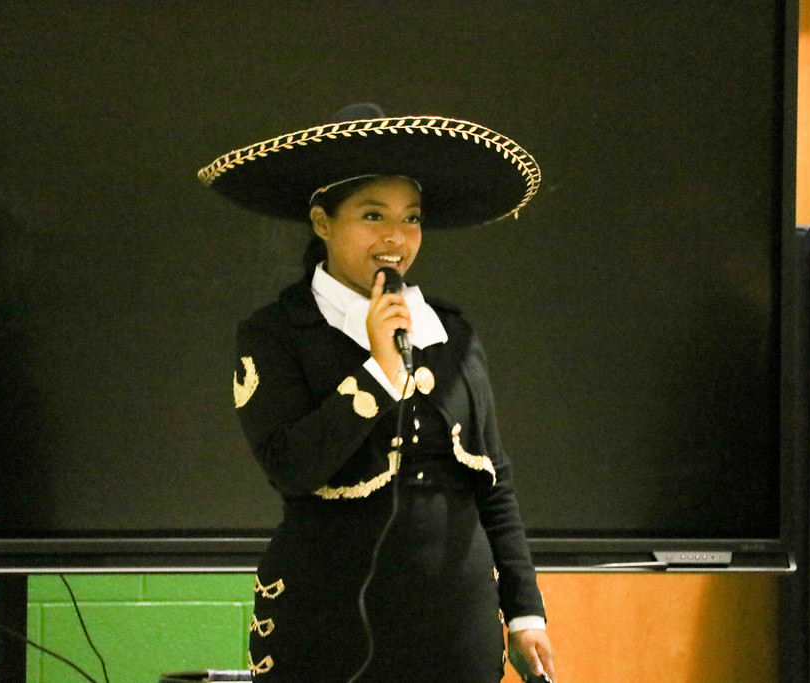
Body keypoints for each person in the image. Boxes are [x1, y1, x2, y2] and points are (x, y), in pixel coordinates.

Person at [199, 103, 555, 682]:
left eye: (411, 218)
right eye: (372, 215)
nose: (397, 238)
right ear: (322, 222)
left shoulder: (452, 331)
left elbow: (495, 481)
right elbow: (291, 468)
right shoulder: (274, 332)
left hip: (454, 624)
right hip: (324, 621)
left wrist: (523, 611)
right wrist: (379, 370)